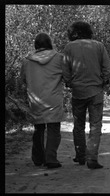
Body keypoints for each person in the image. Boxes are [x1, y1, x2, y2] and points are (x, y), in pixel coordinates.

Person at [62, 21, 110, 169]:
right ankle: (92, 158)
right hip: (96, 91)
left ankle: (80, 155)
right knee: (95, 125)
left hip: (78, 92)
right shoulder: (98, 46)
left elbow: (65, 70)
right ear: (88, 32)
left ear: (73, 33)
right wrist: (104, 81)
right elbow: (107, 68)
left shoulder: (69, 47)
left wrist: (70, 83)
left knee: (78, 125)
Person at [20, 32, 64, 169]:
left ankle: (38, 158)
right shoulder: (59, 58)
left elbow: (22, 80)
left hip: (36, 99)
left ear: (36, 45)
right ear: (50, 44)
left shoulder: (27, 60)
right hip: (53, 99)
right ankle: (51, 158)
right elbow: (67, 76)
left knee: (38, 128)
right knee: (53, 129)